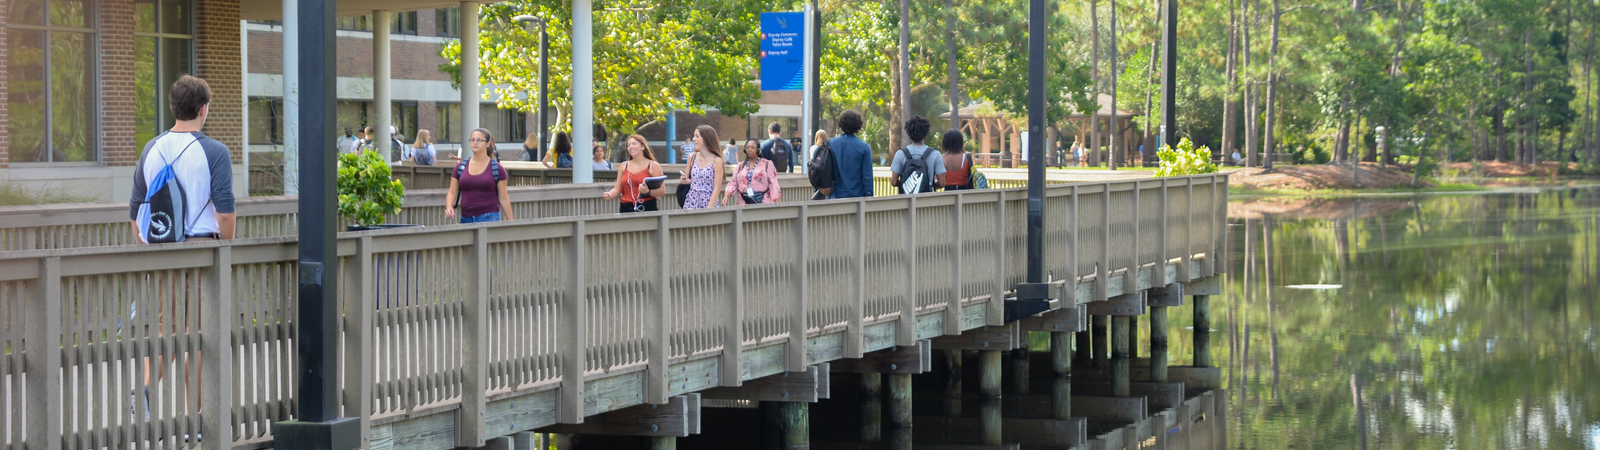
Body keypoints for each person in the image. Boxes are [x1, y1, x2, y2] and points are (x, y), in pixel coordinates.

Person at [130, 74, 236, 243]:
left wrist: (146, 252)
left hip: (159, 249)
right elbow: (224, 214)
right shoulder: (216, 151)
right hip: (202, 249)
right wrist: (227, 251)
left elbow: (136, 209)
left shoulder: (150, 148)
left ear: (172, 107)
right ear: (203, 109)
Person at [445, 128, 513, 223]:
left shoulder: (497, 169)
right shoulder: (460, 167)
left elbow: (504, 198)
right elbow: (452, 192)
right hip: (466, 217)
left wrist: (511, 223)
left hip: (489, 217)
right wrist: (449, 207)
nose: (475, 142)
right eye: (472, 140)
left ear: (488, 143)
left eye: (479, 140)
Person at [602, 134, 667, 212]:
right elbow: (617, 189)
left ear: (642, 146)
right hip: (626, 208)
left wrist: (647, 192)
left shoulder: (653, 165)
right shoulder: (624, 166)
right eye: (628, 145)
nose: (630, 147)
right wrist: (609, 194)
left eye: (634, 144)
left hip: (647, 206)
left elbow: (662, 191)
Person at [889, 116, 945, 194]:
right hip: (925, 200)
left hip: (906, 202)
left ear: (909, 134)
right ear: (926, 133)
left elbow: (894, 182)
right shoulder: (935, 154)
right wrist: (928, 184)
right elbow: (942, 183)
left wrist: (906, 184)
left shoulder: (900, 153)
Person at [827, 109, 875, 199]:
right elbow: (867, 176)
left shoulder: (831, 144)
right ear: (858, 125)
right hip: (856, 198)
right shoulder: (864, 147)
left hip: (833, 196)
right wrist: (869, 196)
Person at [679, 125, 726, 209]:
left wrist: (708, 210)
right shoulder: (692, 157)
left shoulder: (717, 161)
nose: (693, 139)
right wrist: (683, 180)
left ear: (706, 138)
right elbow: (686, 180)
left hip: (709, 203)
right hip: (691, 202)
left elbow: (717, 189)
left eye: (697, 136)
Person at [724, 139, 781, 205]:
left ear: (758, 150)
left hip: (763, 202)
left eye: (753, 147)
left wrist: (777, 204)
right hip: (743, 203)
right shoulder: (740, 166)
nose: (750, 149)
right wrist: (726, 196)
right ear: (745, 150)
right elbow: (733, 183)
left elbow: (773, 184)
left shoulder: (767, 164)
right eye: (748, 147)